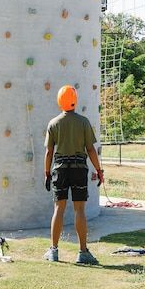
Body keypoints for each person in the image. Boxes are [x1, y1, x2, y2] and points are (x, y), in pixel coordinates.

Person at [44, 84, 104, 265]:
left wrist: (47, 173)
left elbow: (49, 152)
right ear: (75, 101)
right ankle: (82, 252)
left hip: (60, 169)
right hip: (79, 168)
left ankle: (53, 251)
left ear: (59, 101)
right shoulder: (83, 122)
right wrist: (99, 170)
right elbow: (91, 150)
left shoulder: (53, 123)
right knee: (80, 210)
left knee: (58, 209)